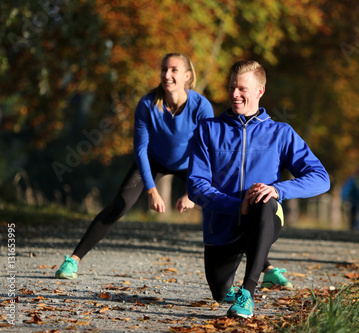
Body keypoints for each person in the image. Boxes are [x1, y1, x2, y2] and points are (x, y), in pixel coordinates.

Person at [187, 60, 330, 318]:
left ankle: (248, 292)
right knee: (219, 292)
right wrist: (235, 205)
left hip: (264, 218)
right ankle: (264, 275)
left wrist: (279, 190)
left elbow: (320, 177)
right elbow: (195, 185)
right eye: (231, 87)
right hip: (222, 225)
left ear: (259, 91)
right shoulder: (208, 130)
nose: (234, 94)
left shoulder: (281, 133)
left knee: (263, 200)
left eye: (242, 88)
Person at [55, 53, 214, 279]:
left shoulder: (201, 106)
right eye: (163, 69)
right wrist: (151, 190)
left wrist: (191, 192)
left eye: (174, 70)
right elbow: (140, 149)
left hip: (189, 164)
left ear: (187, 76)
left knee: (220, 206)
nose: (166, 75)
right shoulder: (148, 104)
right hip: (153, 160)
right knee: (119, 205)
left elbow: (206, 151)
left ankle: (264, 268)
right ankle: (73, 260)